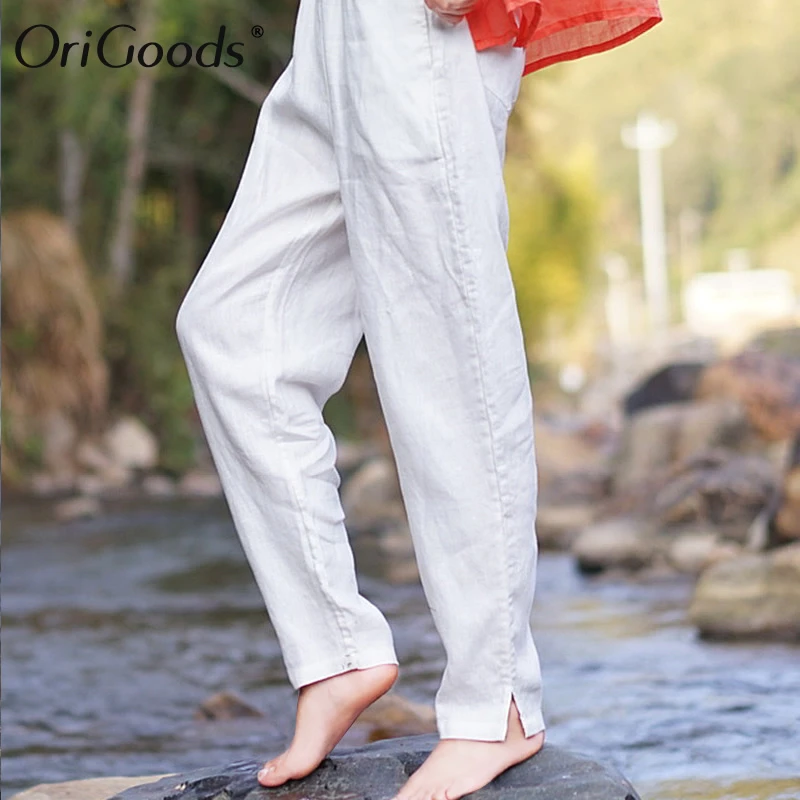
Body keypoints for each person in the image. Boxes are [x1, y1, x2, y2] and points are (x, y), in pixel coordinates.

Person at [175, 1, 662, 798]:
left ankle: (497, 702)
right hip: (332, 26)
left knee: (446, 357)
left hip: (420, 27)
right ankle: (336, 653)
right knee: (232, 329)